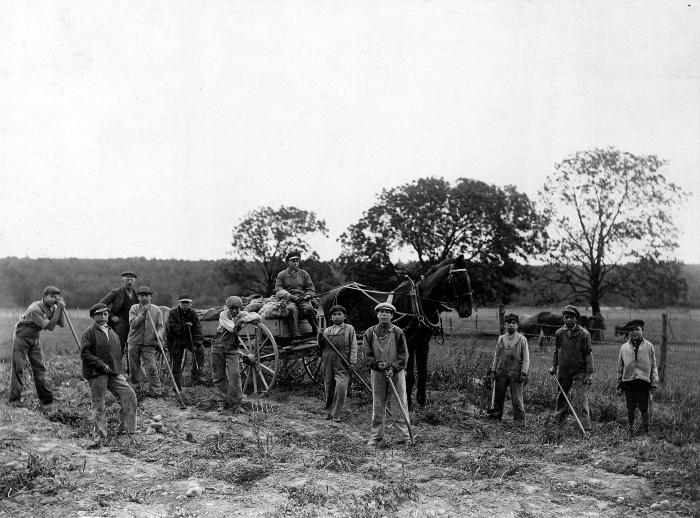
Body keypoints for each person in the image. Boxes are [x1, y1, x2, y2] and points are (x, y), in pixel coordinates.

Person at [80, 303, 137, 441]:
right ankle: (99, 435)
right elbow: (85, 354)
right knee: (99, 403)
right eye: (99, 314)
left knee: (129, 395)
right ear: (93, 316)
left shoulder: (112, 332)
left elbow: (118, 351)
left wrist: (118, 365)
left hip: (114, 372)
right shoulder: (89, 332)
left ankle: (127, 432)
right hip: (96, 373)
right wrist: (100, 364)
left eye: (105, 314)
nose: (103, 317)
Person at [363, 302, 411, 447]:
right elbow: (367, 354)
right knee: (378, 404)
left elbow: (404, 354)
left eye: (387, 312)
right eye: (381, 312)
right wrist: (376, 364)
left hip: (396, 373)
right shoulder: (370, 332)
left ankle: (404, 437)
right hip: (377, 373)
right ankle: (376, 437)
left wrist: (394, 367)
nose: (384, 314)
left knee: (399, 403)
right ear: (377, 314)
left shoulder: (398, 332)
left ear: (392, 315)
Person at [9, 286, 66, 407]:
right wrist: (58, 308)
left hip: (34, 339)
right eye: (51, 296)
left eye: (56, 297)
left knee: (40, 368)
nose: (54, 299)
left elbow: (62, 324)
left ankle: (46, 399)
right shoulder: (35, 308)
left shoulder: (53, 307)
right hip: (21, 338)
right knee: (19, 368)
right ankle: (14, 399)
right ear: (44, 296)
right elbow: (50, 327)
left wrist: (60, 309)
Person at [211, 296, 261, 412]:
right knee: (219, 376)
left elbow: (257, 316)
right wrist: (243, 321)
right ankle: (222, 402)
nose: (234, 311)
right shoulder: (223, 315)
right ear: (227, 307)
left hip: (232, 349)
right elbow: (232, 329)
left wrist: (243, 319)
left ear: (240, 308)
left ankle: (236, 404)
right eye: (231, 308)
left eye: (237, 308)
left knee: (234, 376)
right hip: (217, 347)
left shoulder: (241, 314)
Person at [549, 305, 594, 432]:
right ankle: (559, 421)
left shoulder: (584, 334)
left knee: (581, 397)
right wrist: (554, 366)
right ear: (563, 318)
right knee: (562, 396)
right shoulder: (559, 333)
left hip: (580, 371)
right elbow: (557, 351)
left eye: (571, 317)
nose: (568, 320)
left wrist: (589, 373)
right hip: (564, 370)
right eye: (566, 317)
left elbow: (588, 354)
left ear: (576, 319)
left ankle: (585, 426)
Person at [617, 319, 658, 437]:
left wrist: (654, 382)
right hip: (628, 382)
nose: (634, 332)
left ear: (642, 331)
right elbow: (620, 366)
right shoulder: (624, 347)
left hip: (643, 382)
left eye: (637, 329)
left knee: (644, 406)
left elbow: (654, 365)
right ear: (628, 332)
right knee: (630, 407)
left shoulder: (649, 346)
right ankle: (631, 430)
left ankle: (646, 430)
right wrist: (619, 383)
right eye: (631, 330)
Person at [487, 313, 530, 426]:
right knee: (498, 396)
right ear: (505, 325)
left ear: (517, 325)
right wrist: (493, 370)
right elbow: (496, 356)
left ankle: (519, 421)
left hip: (516, 374)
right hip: (501, 372)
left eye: (514, 323)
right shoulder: (501, 339)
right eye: (509, 323)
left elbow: (526, 358)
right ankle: (495, 418)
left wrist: (524, 372)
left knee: (517, 399)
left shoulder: (522, 339)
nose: (511, 325)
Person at [320, 305, 358, 422]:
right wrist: (319, 336)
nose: (337, 317)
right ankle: (328, 412)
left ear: (344, 316)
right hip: (328, 361)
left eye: (339, 314)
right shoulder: (327, 330)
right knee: (329, 387)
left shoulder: (349, 329)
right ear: (331, 318)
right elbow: (321, 347)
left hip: (342, 361)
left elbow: (353, 346)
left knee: (341, 387)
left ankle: (336, 413)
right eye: (334, 315)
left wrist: (352, 361)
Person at [127, 286, 164, 397]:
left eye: (146, 295)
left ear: (150, 297)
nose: (144, 297)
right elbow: (133, 324)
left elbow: (160, 326)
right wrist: (142, 313)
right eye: (141, 295)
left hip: (149, 343)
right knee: (134, 367)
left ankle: (156, 391)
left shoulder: (156, 310)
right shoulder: (134, 308)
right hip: (134, 342)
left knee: (152, 367)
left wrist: (159, 334)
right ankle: (135, 390)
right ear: (138, 297)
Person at [274, 251, 318, 338]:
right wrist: (290, 296)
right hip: (288, 299)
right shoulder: (282, 275)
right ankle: (296, 336)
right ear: (288, 262)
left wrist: (308, 295)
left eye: (297, 261)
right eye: (293, 261)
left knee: (309, 308)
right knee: (291, 309)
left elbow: (310, 288)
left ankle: (316, 330)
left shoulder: (304, 274)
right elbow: (278, 290)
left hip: (303, 298)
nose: (296, 263)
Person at [99, 271, 140, 364]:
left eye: (132, 280)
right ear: (123, 281)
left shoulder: (137, 294)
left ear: (134, 282)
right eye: (127, 280)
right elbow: (101, 304)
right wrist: (111, 316)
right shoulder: (116, 293)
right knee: (118, 348)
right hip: (120, 325)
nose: (130, 282)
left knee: (132, 349)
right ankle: (116, 371)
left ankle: (131, 374)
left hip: (133, 324)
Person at [167, 294, 204, 390]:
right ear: (179, 303)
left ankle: (195, 377)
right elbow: (171, 326)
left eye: (187, 303)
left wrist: (197, 343)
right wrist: (185, 325)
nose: (185, 305)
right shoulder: (172, 313)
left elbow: (197, 328)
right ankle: (176, 386)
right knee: (176, 363)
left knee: (200, 351)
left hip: (189, 339)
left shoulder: (193, 313)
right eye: (183, 303)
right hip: (176, 340)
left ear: (190, 304)